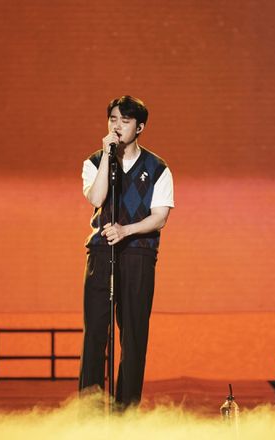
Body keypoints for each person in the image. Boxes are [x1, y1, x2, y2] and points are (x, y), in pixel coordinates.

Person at [78, 95, 174, 407]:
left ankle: (126, 411)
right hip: (101, 252)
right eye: (113, 119)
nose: (117, 126)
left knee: (133, 336)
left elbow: (159, 217)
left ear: (140, 127)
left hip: (138, 255)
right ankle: (89, 411)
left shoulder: (158, 168)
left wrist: (125, 231)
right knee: (95, 333)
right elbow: (97, 199)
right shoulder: (94, 162)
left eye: (125, 121)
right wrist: (108, 157)